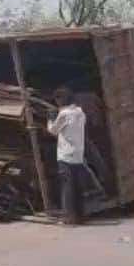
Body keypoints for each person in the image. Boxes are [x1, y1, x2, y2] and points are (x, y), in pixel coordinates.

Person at [47, 87, 88, 225]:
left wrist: (51, 119)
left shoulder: (64, 114)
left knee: (67, 187)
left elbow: (53, 131)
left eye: (57, 100)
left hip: (65, 155)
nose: (57, 103)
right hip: (78, 154)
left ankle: (69, 218)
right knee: (77, 187)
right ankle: (80, 216)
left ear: (62, 99)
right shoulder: (80, 113)